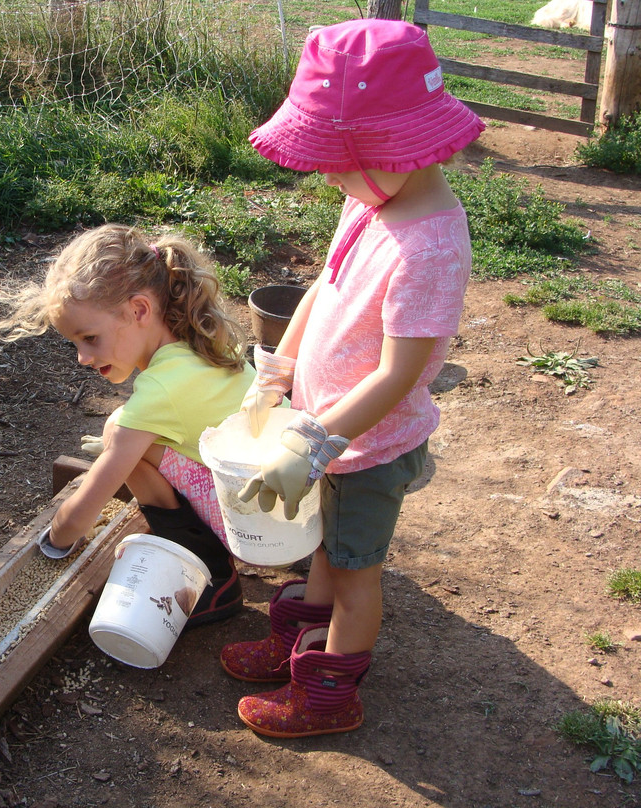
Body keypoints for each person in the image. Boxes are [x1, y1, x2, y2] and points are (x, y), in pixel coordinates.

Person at [221, 19, 485, 737]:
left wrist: (315, 441)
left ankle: (330, 695)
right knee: (324, 546)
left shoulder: (430, 247)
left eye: (338, 163)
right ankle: (296, 642)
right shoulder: (372, 199)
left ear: (390, 148)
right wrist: (277, 372)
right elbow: (324, 285)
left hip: (367, 447)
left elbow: (398, 374)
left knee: (355, 571)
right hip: (327, 431)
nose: (328, 177)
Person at [0, 224, 255, 628]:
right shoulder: (202, 337)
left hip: (251, 531)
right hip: (280, 510)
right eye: (75, 343)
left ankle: (214, 576)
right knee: (122, 428)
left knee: (123, 440)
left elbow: (81, 514)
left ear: (139, 310)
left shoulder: (160, 391)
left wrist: (55, 538)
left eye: (90, 338)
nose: (82, 357)